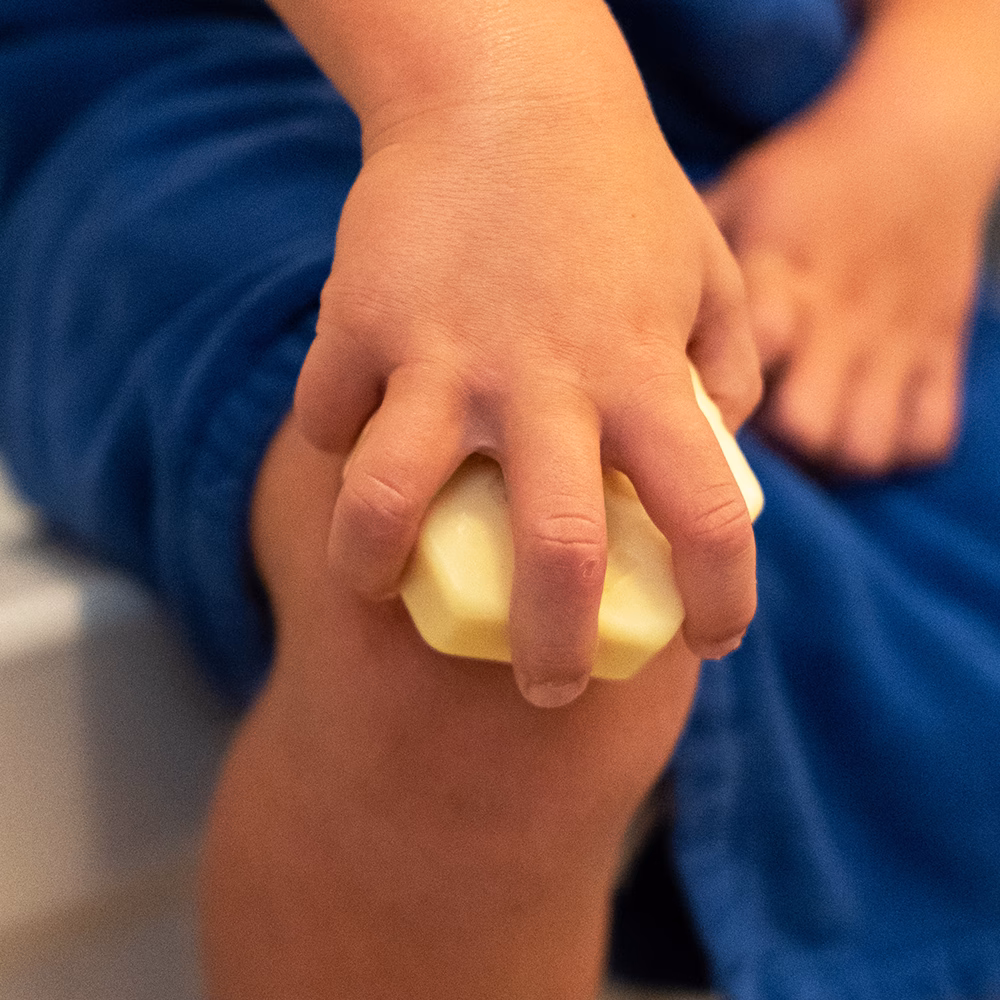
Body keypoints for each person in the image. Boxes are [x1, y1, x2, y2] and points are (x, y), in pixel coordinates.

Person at [0, 1, 998, 998]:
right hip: (213, 89)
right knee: (500, 590)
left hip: (778, 128)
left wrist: (933, 102)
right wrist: (501, 98)